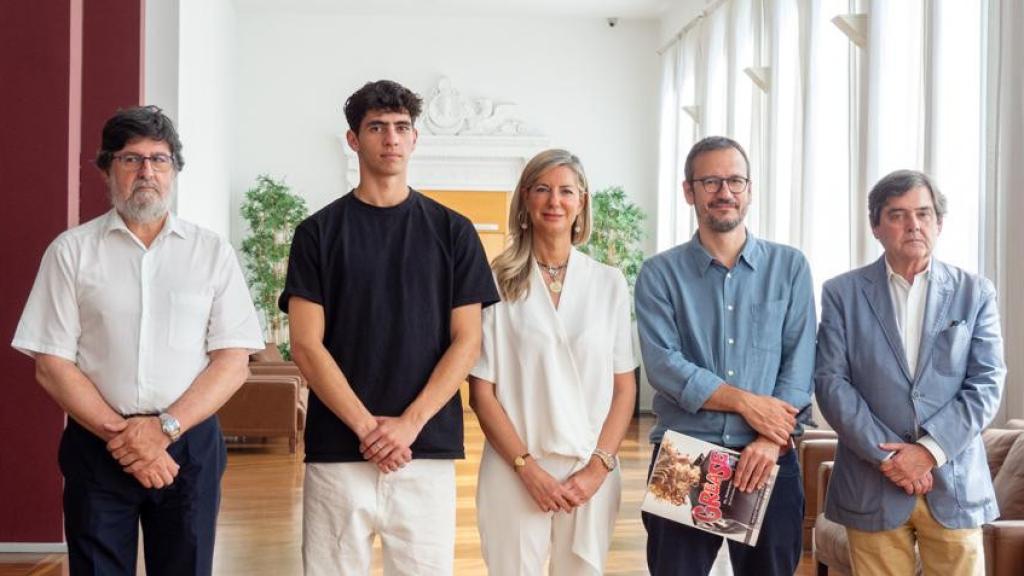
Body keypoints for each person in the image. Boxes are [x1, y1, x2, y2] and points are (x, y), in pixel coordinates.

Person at [12, 105, 264, 575]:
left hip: (188, 447)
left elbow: (233, 360)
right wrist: (126, 438)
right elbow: (51, 362)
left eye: (159, 159)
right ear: (108, 169)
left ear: (174, 170)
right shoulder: (71, 252)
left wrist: (163, 431)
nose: (146, 171)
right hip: (98, 446)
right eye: (131, 159)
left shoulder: (211, 253)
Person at [281, 79, 499, 575]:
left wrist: (408, 425)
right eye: (377, 127)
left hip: (424, 451)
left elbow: (468, 341)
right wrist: (367, 427)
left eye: (402, 127)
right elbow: (305, 344)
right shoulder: (316, 233)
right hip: (339, 450)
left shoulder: (454, 231)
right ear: (353, 139)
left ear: (416, 139)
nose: (391, 138)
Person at [635, 136, 816, 575]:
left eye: (735, 180)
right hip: (685, 454)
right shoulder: (660, 274)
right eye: (711, 181)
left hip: (767, 459)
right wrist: (746, 402)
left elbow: (800, 360)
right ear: (689, 191)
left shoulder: (789, 267)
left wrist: (770, 440)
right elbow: (664, 365)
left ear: (749, 189)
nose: (725, 192)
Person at [815, 170, 1005, 575]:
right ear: (876, 226)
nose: (913, 224)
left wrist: (927, 453)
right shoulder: (842, 293)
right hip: (872, 483)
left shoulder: (976, 292)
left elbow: (986, 383)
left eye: (923, 213)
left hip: (952, 483)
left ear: (938, 222)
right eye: (898, 215)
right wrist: (890, 459)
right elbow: (831, 383)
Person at [467, 149, 637, 575]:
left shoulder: (608, 283)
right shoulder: (495, 280)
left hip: (590, 467)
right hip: (515, 465)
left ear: (582, 201)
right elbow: (481, 392)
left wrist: (599, 468)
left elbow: (624, 388)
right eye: (542, 189)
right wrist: (527, 469)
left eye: (565, 191)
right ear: (525, 199)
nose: (554, 201)